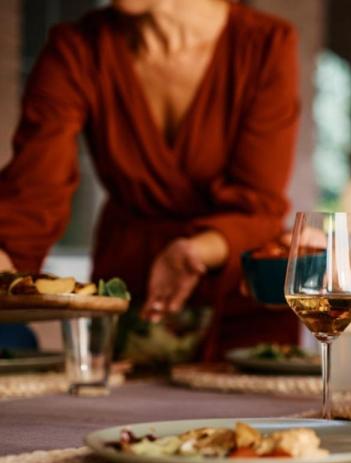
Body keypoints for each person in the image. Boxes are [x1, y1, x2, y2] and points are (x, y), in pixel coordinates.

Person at [0, 0, 299, 359]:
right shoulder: (77, 48)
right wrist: (7, 266)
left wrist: (192, 251)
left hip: (240, 294)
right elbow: (33, 193)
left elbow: (259, 204)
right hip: (127, 301)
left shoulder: (265, 44)